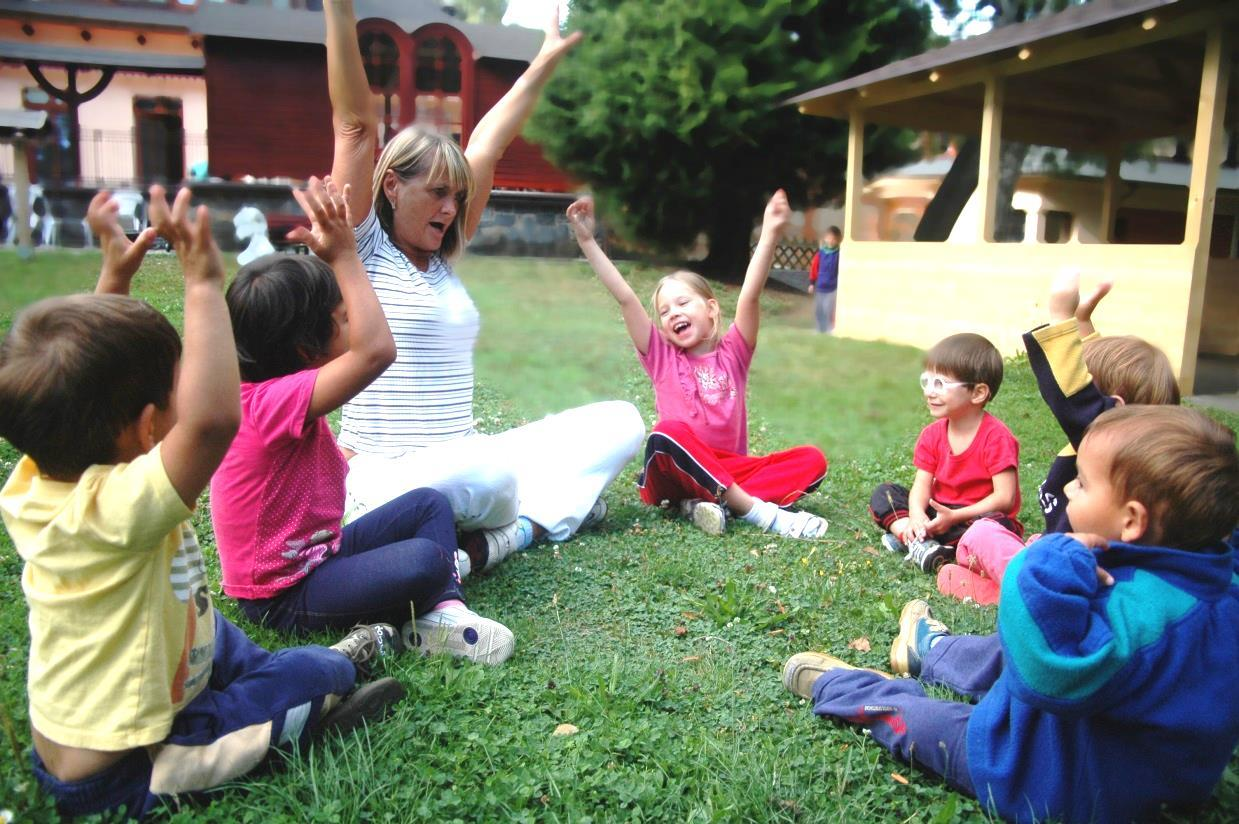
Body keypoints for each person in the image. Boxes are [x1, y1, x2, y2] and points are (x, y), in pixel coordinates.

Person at [0, 187, 404, 820]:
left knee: (232, 646)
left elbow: (80, 387)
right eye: (178, 382)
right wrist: (203, 283)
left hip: (160, 663)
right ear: (145, 429)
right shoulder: (121, 508)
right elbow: (216, 420)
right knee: (316, 676)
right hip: (131, 765)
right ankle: (304, 708)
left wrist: (114, 281)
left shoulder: (43, 478)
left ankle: (291, 683)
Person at [783, 405, 1239, 824]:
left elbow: (1047, 672)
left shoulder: (1140, 622)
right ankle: (934, 652)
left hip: (1051, 778)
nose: (1065, 487)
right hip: (1156, 773)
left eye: (1081, 482)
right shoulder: (1213, 585)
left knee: (920, 721)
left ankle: (846, 688)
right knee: (1012, 646)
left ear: (1132, 521)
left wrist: (1046, 563)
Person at [323, 0, 645, 575]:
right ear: (392, 187)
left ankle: (508, 533)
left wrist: (543, 61)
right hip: (386, 470)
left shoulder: (443, 257)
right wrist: (339, 10)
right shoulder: (362, 249)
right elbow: (353, 123)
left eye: (457, 197)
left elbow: (489, 144)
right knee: (487, 477)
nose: (452, 209)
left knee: (621, 422)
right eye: (438, 194)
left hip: (467, 455)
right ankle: (523, 521)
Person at [210, 176, 513, 664]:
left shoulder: (277, 390)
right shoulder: (266, 404)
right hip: (284, 594)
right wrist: (346, 257)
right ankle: (436, 601)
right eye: (344, 317)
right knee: (428, 558)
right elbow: (377, 351)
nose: (358, 320)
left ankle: (442, 616)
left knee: (429, 507)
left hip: (321, 556)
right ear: (308, 351)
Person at [567, 191, 829, 539]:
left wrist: (769, 234)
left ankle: (707, 504)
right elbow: (626, 297)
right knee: (667, 433)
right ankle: (757, 512)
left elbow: (750, 295)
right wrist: (587, 240)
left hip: (728, 469)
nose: (673, 312)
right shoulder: (661, 356)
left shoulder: (735, 352)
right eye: (664, 311)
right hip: (671, 474)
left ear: (711, 309)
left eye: (682, 302)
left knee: (812, 460)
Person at [938, 271, 1180, 604]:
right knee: (1030, 542)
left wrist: (1060, 321)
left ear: (1111, 411)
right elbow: (1096, 385)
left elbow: (1077, 398)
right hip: (1068, 551)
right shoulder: (1134, 452)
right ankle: (1000, 587)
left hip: (1077, 572)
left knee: (982, 534)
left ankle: (1019, 589)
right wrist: (1083, 325)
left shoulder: (1106, 442)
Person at [868, 333, 1022, 573]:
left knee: (994, 527)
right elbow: (922, 485)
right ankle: (918, 539)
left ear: (978, 393)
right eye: (927, 381)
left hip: (975, 517)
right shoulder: (932, 434)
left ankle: (917, 541)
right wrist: (918, 514)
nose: (930, 392)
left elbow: (1005, 498)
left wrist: (955, 516)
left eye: (940, 384)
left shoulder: (996, 437)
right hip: (938, 512)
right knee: (885, 494)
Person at [806, 226, 840, 334]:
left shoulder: (839, 254)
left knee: (829, 309)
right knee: (819, 310)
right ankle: (819, 329)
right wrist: (812, 283)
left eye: (834, 239)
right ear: (825, 239)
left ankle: (830, 329)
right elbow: (814, 269)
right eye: (829, 238)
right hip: (820, 287)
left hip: (833, 288)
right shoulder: (820, 254)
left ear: (837, 240)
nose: (831, 241)